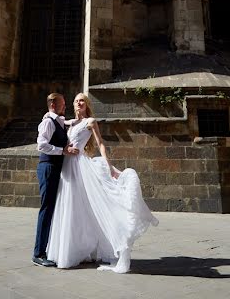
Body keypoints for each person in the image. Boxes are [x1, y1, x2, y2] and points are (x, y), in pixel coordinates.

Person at [46, 93, 158, 273]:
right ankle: (75, 249)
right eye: (76, 101)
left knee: (87, 204)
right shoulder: (69, 122)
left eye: (82, 100)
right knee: (70, 206)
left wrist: (110, 167)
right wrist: (47, 115)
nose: (79, 103)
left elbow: (101, 144)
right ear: (73, 105)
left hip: (79, 165)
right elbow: (54, 119)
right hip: (66, 165)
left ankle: (110, 243)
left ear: (87, 103)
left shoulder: (90, 121)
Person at [32, 92, 79, 267]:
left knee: (52, 208)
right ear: (52, 104)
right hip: (48, 167)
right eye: (62, 104)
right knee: (46, 209)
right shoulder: (47, 122)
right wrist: (63, 151)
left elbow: (64, 123)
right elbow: (41, 144)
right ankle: (38, 253)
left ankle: (46, 249)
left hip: (55, 168)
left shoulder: (56, 121)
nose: (65, 107)